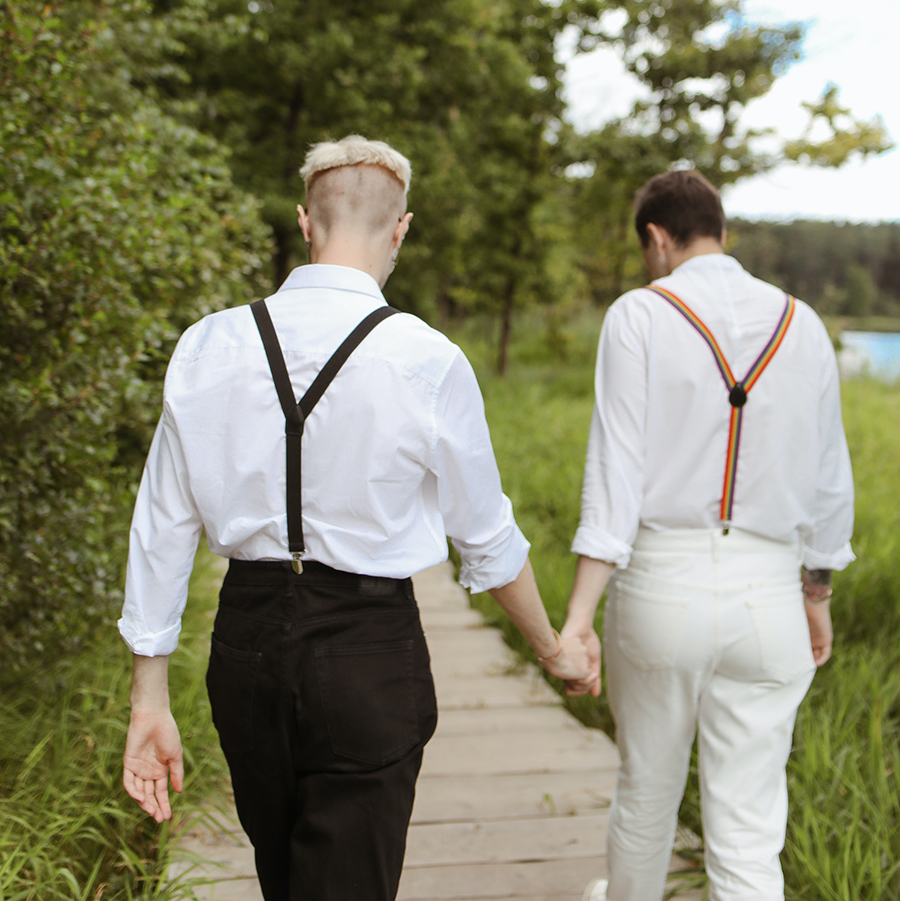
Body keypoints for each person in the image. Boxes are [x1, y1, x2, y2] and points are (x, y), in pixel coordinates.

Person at [118, 134, 589, 901]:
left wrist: (149, 698)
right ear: (400, 228)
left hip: (246, 650)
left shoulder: (208, 345)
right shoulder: (428, 358)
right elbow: (486, 538)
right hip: (369, 651)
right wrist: (552, 648)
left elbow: (161, 527)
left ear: (307, 222)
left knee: (286, 881)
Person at [561, 170, 854, 901]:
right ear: (720, 231)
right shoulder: (804, 322)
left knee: (646, 794)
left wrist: (577, 619)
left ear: (658, 238)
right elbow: (829, 479)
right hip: (769, 596)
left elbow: (614, 478)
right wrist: (816, 592)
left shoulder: (638, 316)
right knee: (750, 825)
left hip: (663, 585)